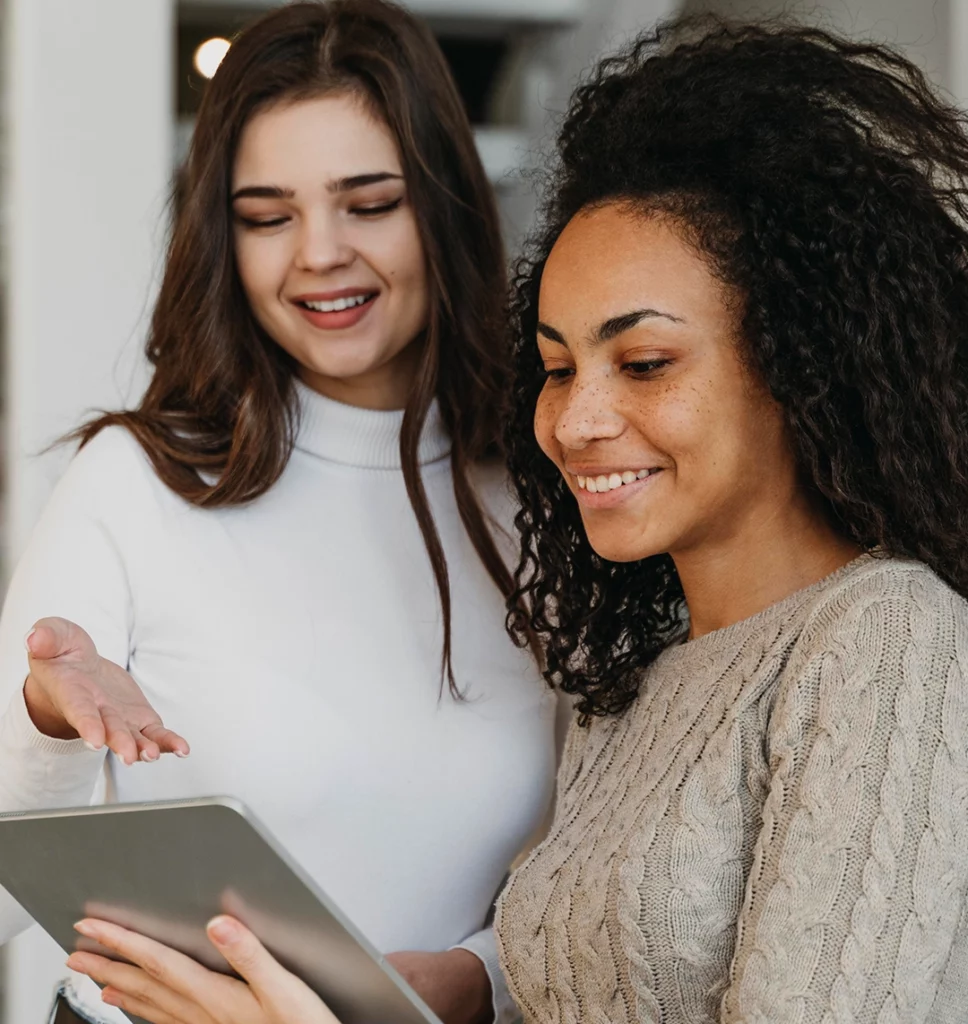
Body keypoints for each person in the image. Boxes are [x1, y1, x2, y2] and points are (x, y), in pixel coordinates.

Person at [67, 15, 968, 1024]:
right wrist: (459, 985)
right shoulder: (631, 675)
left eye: (642, 363)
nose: (574, 421)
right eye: (553, 367)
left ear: (796, 367)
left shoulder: (886, 638)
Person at [0, 2, 558, 1023]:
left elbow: (602, 851)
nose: (318, 255)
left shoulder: (546, 489)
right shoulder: (139, 480)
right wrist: (47, 722)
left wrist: (480, 976)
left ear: (443, 204)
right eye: (267, 215)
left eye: (369, 202)